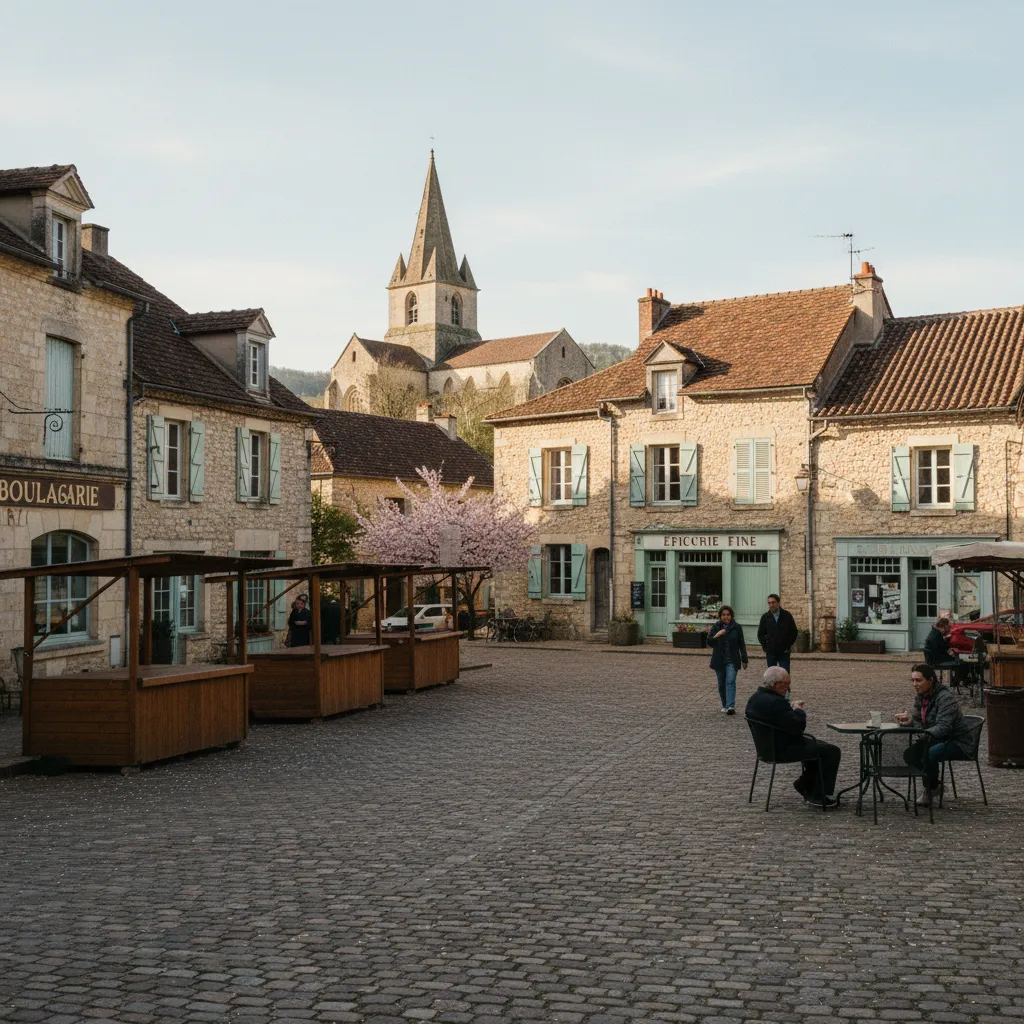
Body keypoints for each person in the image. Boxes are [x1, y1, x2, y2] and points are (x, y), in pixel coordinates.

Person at [745, 666, 842, 807]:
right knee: (831, 751)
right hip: (782, 748)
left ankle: (806, 784)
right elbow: (798, 727)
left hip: (766, 746)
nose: (788, 689)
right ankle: (816, 794)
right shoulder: (775, 702)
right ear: (777, 685)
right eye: (787, 685)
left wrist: (789, 709)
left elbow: (781, 719)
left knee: (820, 747)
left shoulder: (756, 698)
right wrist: (798, 710)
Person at [896, 663, 974, 807]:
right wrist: (909, 722)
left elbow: (944, 727)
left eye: (918, 680)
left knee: (929, 752)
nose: (914, 684)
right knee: (910, 754)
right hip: (933, 737)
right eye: (912, 680)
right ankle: (935, 785)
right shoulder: (920, 697)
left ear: (931, 680)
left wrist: (923, 733)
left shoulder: (945, 698)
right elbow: (919, 720)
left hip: (957, 742)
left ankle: (929, 789)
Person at [708, 604, 748, 715]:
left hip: (732, 660)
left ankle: (731, 706)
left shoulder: (737, 627)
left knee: (730, 681)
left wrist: (745, 659)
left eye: (728, 615)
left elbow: (742, 644)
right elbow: (709, 642)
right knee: (721, 684)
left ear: (732, 616)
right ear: (720, 616)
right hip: (719, 660)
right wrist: (717, 635)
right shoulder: (716, 626)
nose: (726, 617)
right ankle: (725, 704)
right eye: (724, 615)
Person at [757, 594, 799, 674]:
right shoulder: (765, 617)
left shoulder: (787, 616)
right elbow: (760, 634)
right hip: (771, 652)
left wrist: (788, 645)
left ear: (778, 603)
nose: (771, 605)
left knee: (785, 676)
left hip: (784, 652)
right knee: (772, 677)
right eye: (769, 603)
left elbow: (794, 632)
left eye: (773, 602)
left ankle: (785, 687)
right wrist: (766, 647)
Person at [923, 616, 967, 686]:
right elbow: (942, 650)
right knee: (962, 663)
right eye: (947, 627)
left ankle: (954, 680)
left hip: (935, 660)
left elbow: (941, 647)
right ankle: (957, 681)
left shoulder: (935, 633)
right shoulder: (936, 636)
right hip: (937, 662)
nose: (948, 629)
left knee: (958, 660)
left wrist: (947, 641)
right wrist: (952, 657)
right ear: (943, 627)